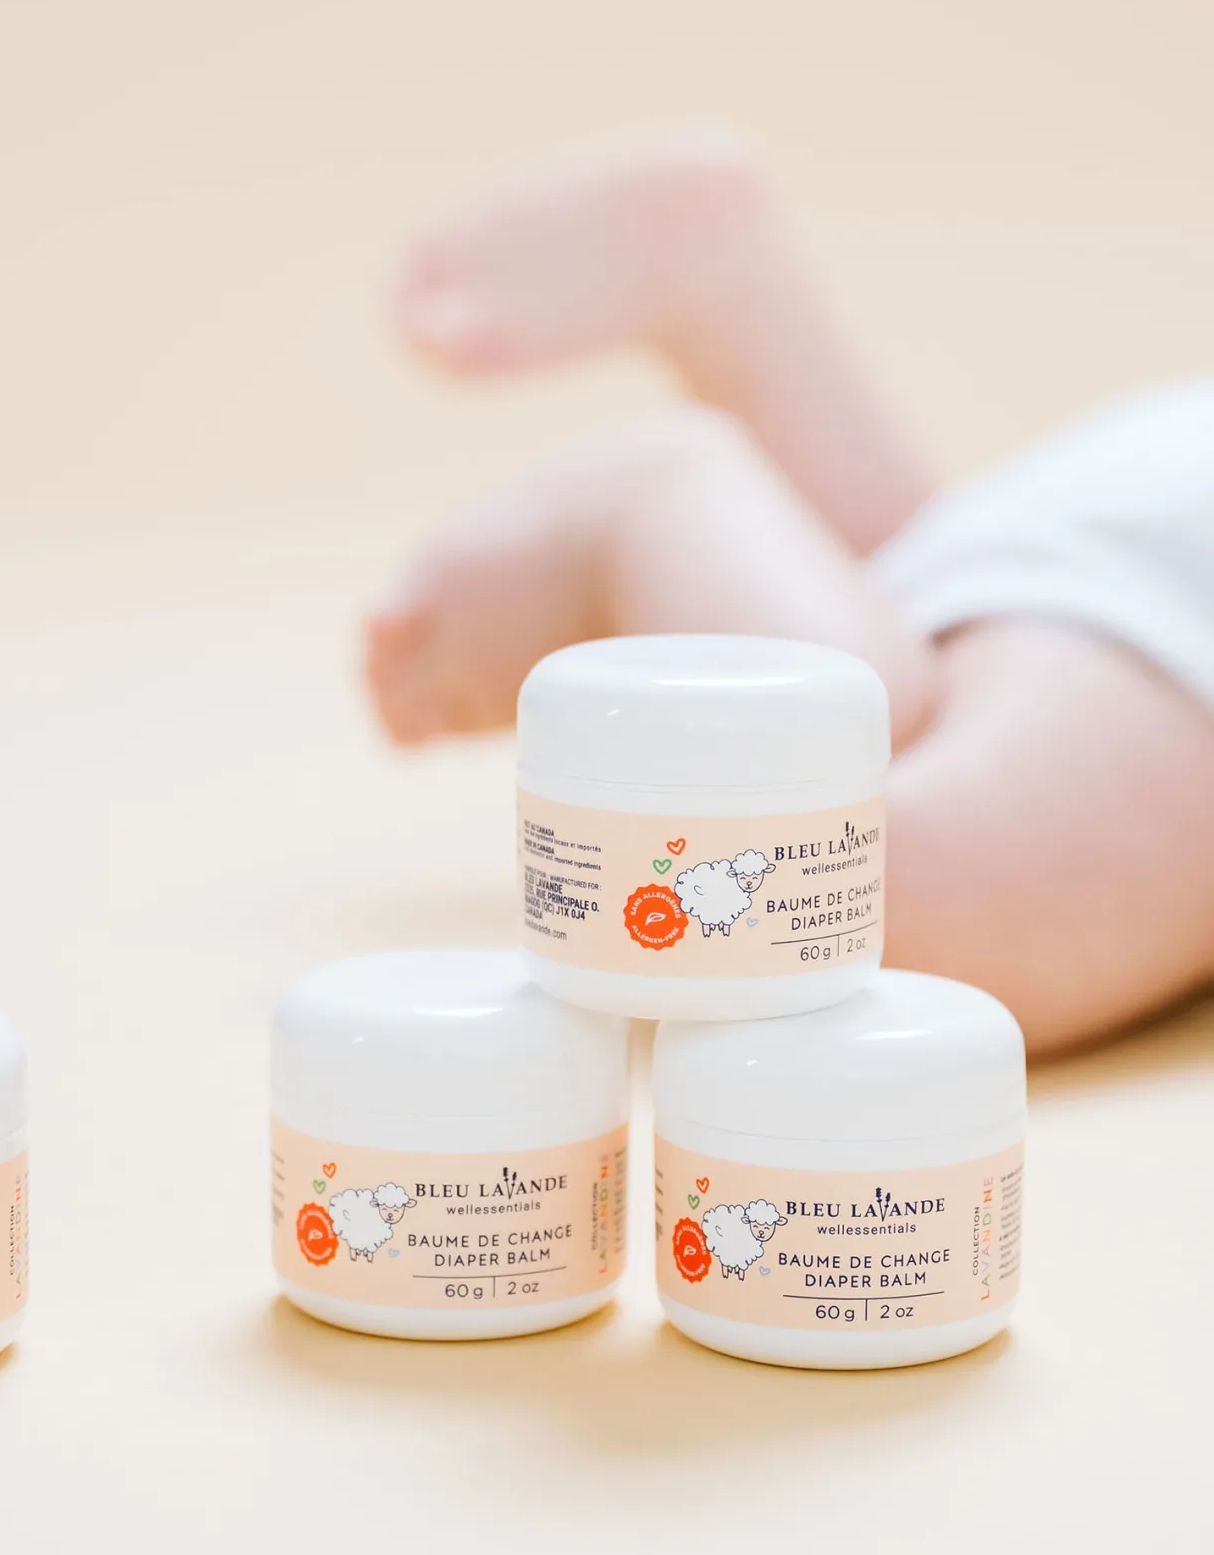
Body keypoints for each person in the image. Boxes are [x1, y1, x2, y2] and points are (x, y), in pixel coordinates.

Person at [364, 131, 1214, 1055]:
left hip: (1140, 511)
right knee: (846, 911)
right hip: (1165, 587)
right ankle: (664, 502)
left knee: (901, 648)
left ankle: (732, 301)